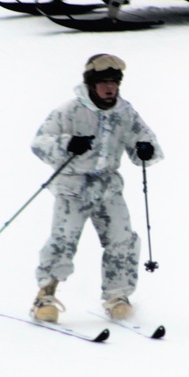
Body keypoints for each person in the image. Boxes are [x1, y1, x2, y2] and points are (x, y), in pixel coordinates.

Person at [30, 54, 164, 322]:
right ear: (91, 84)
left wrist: (144, 149)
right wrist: (68, 144)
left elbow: (146, 141)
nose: (109, 88)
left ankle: (118, 296)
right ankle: (45, 295)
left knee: (122, 239)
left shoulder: (125, 114)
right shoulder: (69, 111)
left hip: (107, 187)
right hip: (72, 188)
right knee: (63, 240)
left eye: (114, 82)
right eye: (103, 82)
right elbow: (39, 142)